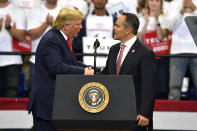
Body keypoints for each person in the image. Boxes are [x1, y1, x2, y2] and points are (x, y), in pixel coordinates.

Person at [27, 7, 94, 131]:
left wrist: (93, 69)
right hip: (47, 105)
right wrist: (84, 72)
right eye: (78, 24)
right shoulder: (52, 39)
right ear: (66, 26)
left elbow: (71, 62)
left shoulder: (60, 38)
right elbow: (56, 67)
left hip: (55, 104)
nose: (81, 27)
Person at [101, 13, 157, 131]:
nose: (113, 28)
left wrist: (145, 113)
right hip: (111, 111)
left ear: (128, 30)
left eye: (117, 26)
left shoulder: (145, 53)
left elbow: (149, 86)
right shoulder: (114, 49)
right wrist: (87, 72)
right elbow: (106, 75)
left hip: (134, 115)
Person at [138, 0, 170, 99]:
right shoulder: (141, 18)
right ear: (147, 2)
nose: (154, 3)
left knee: (162, 88)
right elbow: (138, 39)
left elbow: (160, 37)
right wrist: (146, 22)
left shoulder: (166, 18)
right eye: (152, 0)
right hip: (146, 58)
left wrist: (157, 21)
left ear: (161, 3)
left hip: (162, 57)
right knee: (146, 87)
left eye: (157, 1)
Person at [27, 0, 62, 90]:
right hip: (37, 61)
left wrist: (54, 25)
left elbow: (69, 35)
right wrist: (46, 23)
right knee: (36, 94)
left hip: (60, 61)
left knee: (58, 95)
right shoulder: (34, 10)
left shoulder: (64, 10)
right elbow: (32, 35)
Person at [168, 0, 197, 100]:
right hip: (177, 51)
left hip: (196, 52)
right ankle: (171, 113)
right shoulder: (173, 4)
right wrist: (180, 12)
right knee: (174, 89)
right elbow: (169, 27)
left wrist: (195, 10)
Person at [0, 0, 26, 97]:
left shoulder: (18, 11)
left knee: (10, 97)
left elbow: (21, 36)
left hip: (12, 61)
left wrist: (8, 27)